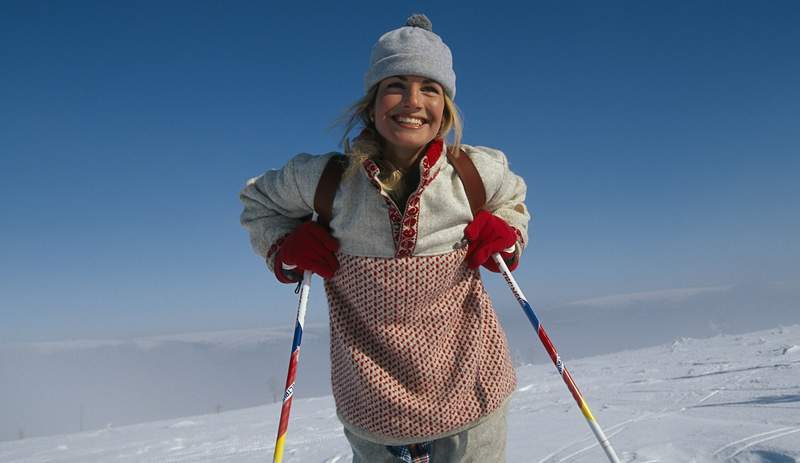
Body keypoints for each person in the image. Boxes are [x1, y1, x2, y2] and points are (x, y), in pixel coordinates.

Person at [240, 14, 530, 462]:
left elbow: (511, 198)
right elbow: (259, 203)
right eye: (395, 84)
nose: (412, 101)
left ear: (446, 108)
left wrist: (507, 234)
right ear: (372, 102)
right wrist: (285, 247)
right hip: (372, 406)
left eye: (430, 88)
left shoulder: (474, 174)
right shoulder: (324, 181)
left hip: (473, 395)